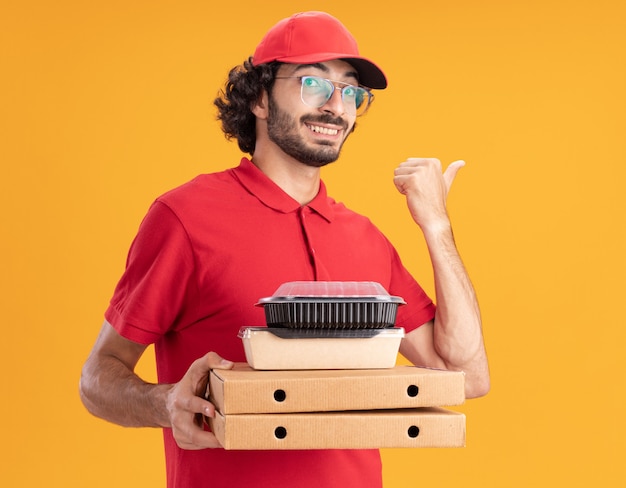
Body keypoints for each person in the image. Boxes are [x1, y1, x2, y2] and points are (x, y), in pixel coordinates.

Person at [79, 10, 489, 488]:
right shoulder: (185, 218)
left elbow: (465, 376)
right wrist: (164, 402)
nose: (337, 106)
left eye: (352, 91)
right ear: (258, 97)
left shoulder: (366, 238)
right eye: (314, 83)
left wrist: (437, 226)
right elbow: (97, 379)